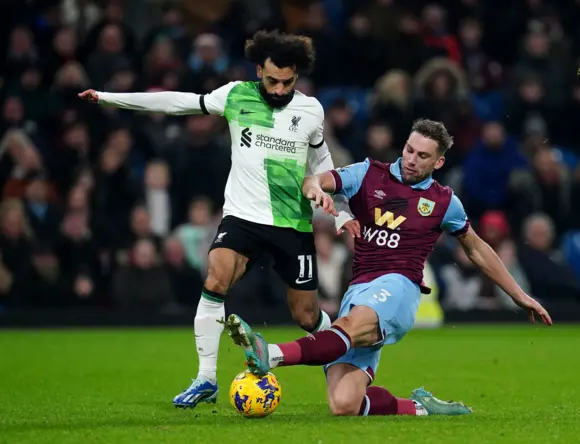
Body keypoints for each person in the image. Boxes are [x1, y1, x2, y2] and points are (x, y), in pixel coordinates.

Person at [79, 30, 357, 408]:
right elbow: (177, 103)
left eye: (287, 82)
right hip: (242, 216)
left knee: (306, 316)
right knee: (215, 277)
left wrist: (340, 212)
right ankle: (206, 378)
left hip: (292, 223)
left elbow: (322, 163)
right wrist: (111, 98)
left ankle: (342, 346)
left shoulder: (310, 110)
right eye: (271, 80)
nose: (278, 89)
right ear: (259, 69)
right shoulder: (234, 95)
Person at [224, 119, 553, 417]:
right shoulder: (367, 174)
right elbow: (315, 180)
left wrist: (518, 294)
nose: (411, 159)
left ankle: (273, 354)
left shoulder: (443, 201)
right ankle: (419, 408)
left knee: (350, 325)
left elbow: (478, 249)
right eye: (410, 149)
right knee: (344, 404)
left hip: (399, 287)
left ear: (438, 162)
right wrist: (315, 191)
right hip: (358, 289)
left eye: (423, 156)